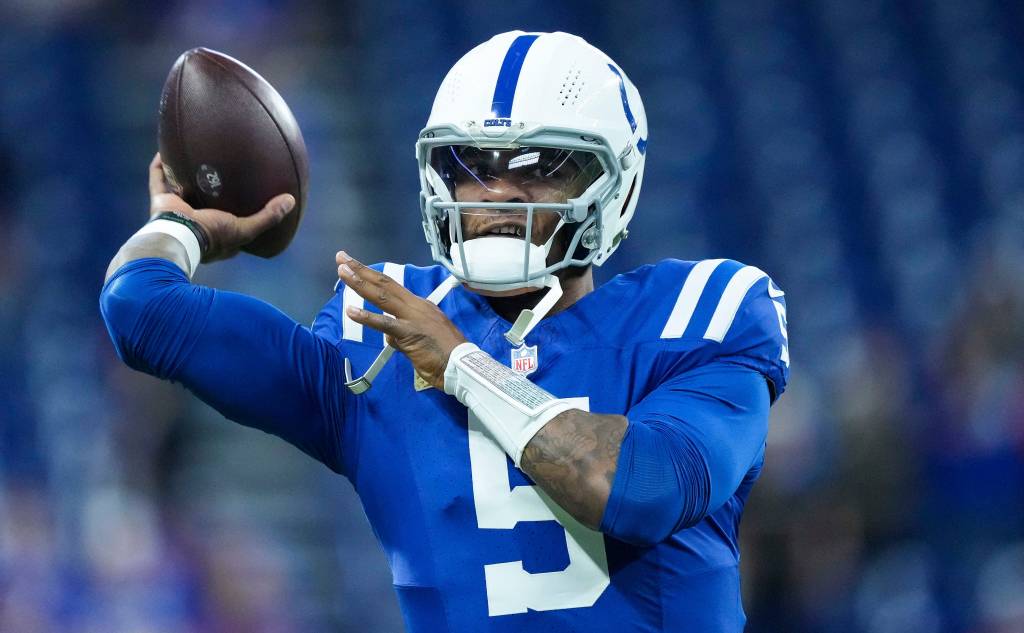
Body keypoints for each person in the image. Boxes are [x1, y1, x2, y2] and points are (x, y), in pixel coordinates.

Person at [100, 31, 789, 632]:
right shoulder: (379, 340)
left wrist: (460, 364)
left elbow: (639, 486)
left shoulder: (702, 316)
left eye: (543, 168)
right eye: (471, 166)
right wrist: (180, 227)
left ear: (616, 186)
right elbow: (141, 311)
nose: (498, 194)